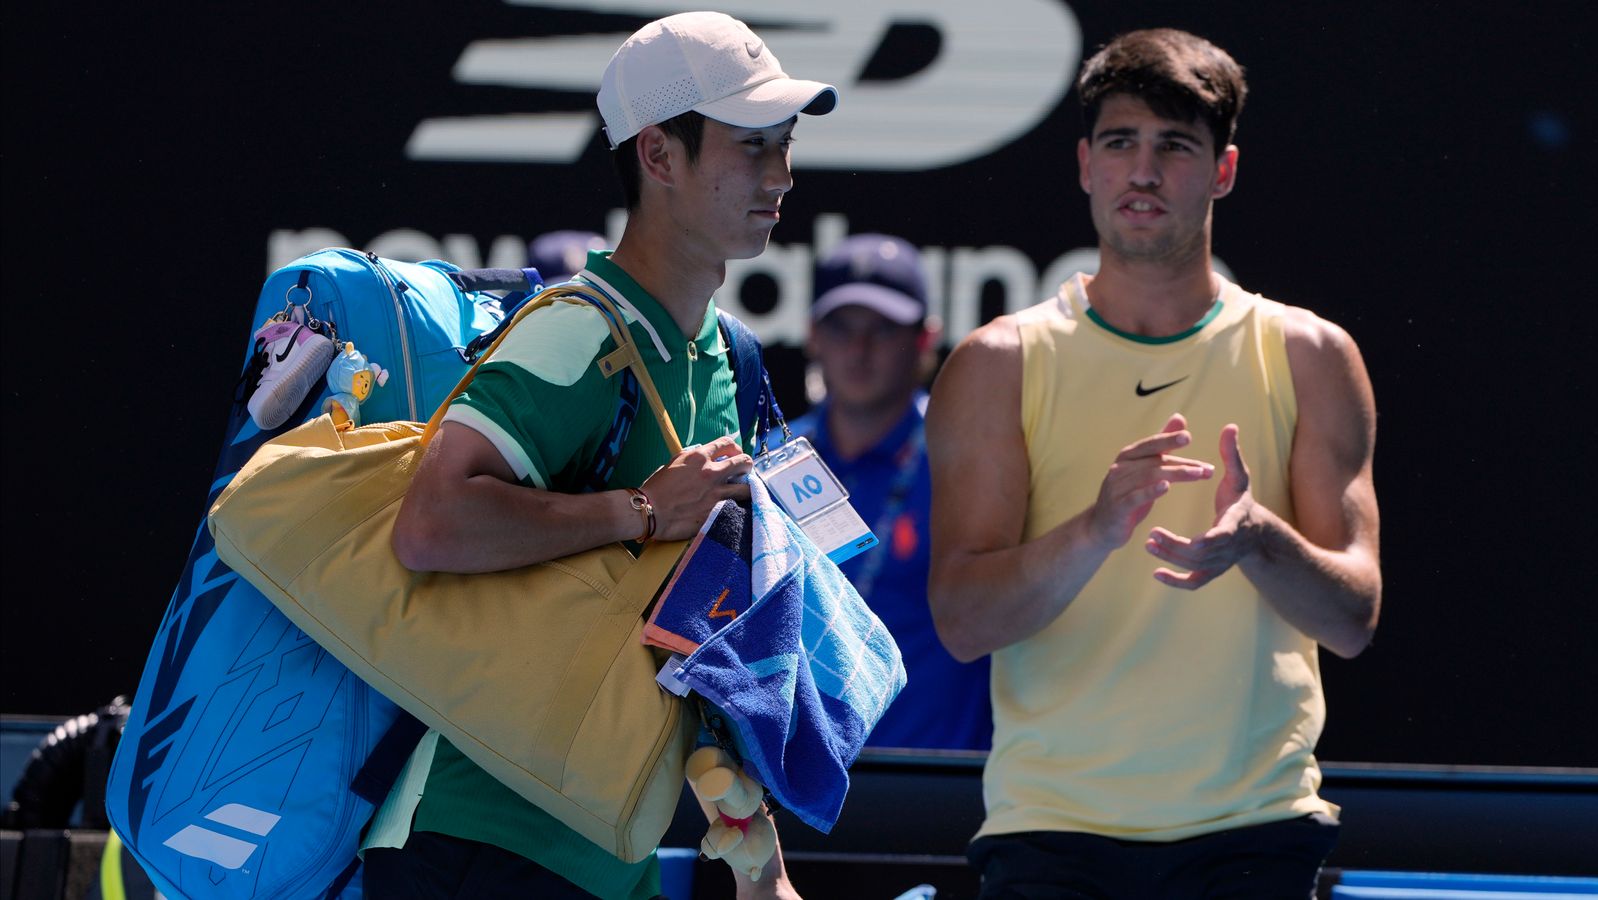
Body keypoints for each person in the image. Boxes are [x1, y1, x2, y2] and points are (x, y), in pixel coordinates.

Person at [369, 12, 836, 899]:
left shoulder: (731, 355)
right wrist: (644, 511)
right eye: (750, 147)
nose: (779, 175)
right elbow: (430, 524)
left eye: (784, 146)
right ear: (659, 156)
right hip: (478, 836)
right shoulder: (575, 333)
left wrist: (761, 855)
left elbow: (718, 618)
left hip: (609, 845)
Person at [925, 28, 1381, 898]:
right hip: (1050, 832)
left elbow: (1354, 618)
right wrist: (1095, 530)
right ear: (1085, 165)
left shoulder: (1312, 354)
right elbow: (963, 622)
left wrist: (1261, 541)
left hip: (1255, 832)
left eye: (1175, 147)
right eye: (1121, 143)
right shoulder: (998, 363)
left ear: (1223, 171)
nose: (1143, 171)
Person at [789, 233, 990, 751]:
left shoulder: (968, 459)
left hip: (933, 788)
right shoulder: (774, 461)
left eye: (883, 330)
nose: (859, 350)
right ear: (813, 335)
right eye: (842, 327)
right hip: (796, 784)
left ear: (925, 340)